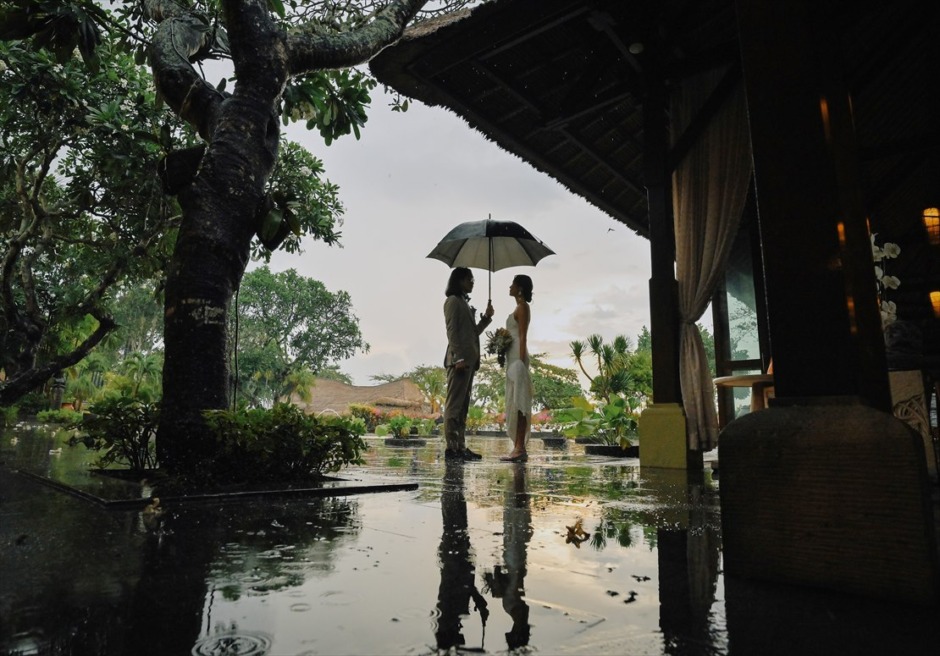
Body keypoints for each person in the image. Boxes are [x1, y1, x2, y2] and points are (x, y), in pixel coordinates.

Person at [443, 267, 494, 461]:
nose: (472, 282)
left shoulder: (464, 302)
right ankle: (451, 448)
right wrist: (458, 358)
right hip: (459, 362)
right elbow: (452, 332)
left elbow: (471, 335)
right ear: (459, 281)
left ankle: (460, 446)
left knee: (463, 406)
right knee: (454, 406)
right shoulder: (453, 302)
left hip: (469, 362)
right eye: (469, 279)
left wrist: (487, 318)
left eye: (473, 279)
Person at [500, 274, 533, 462]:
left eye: (512, 284)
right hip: (512, 357)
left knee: (520, 400)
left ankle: (520, 448)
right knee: (514, 400)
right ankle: (517, 446)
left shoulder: (522, 307)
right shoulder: (517, 307)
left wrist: (520, 362)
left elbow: (523, 336)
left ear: (519, 288)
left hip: (518, 359)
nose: (509, 287)